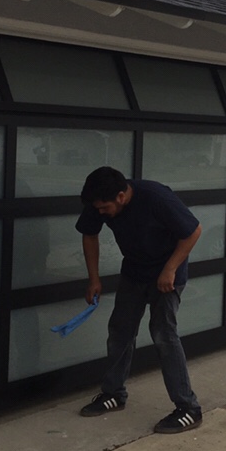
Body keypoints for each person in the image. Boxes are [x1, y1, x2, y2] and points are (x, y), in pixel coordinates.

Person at [75, 166, 204, 433]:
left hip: (167, 274)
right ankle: (113, 394)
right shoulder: (99, 199)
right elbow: (89, 234)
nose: (100, 213)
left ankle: (188, 408)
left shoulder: (156, 198)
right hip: (134, 271)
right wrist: (94, 279)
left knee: (163, 335)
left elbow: (193, 231)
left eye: (104, 208)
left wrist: (170, 269)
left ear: (121, 196)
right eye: (96, 208)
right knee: (120, 331)